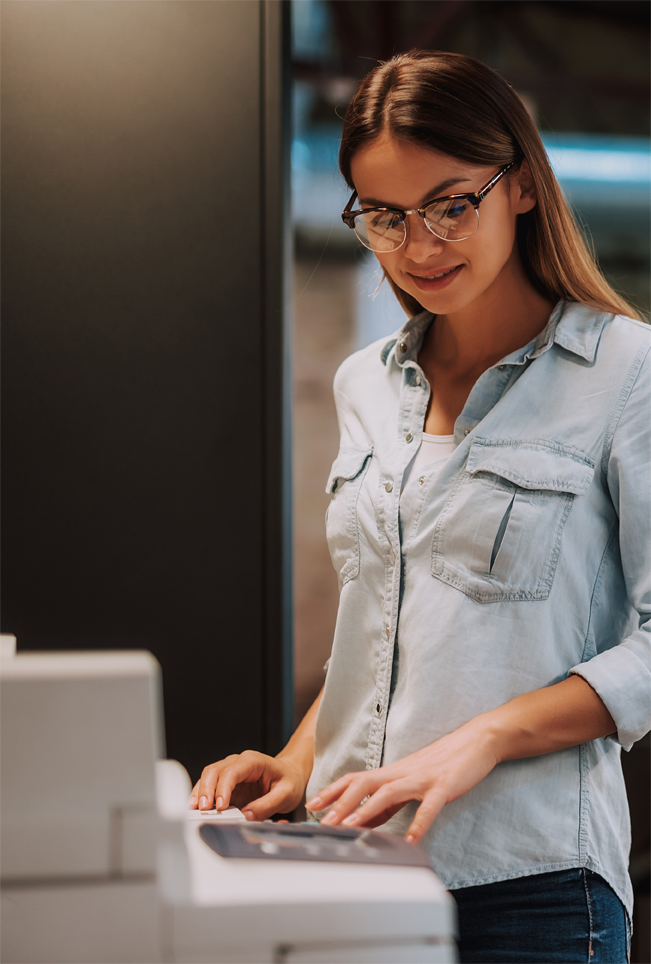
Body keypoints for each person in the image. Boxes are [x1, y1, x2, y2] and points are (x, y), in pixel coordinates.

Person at [190, 51, 651, 961]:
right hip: (349, 863)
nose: (419, 247)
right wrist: (291, 763)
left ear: (518, 186)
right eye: (385, 217)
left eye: (450, 205)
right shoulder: (366, 382)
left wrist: (483, 737)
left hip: (531, 887)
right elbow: (384, 625)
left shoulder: (626, 372)